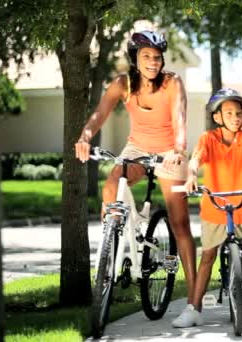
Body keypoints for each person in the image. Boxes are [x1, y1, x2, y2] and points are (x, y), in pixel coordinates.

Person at [74, 30, 198, 323]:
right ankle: (114, 241)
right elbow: (99, 114)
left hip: (169, 151)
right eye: (146, 57)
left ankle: (194, 303)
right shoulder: (123, 84)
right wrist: (85, 136)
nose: (153, 62)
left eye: (157, 57)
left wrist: (179, 149)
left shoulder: (172, 82)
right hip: (137, 149)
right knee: (110, 186)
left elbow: (180, 117)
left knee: (180, 222)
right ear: (135, 59)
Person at [179, 88, 242, 327]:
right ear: (218, 117)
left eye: (239, 113)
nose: (236, 117)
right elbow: (195, 160)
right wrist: (191, 175)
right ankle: (193, 308)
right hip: (214, 208)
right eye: (230, 113)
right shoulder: (208, 139)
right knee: (207, 256)